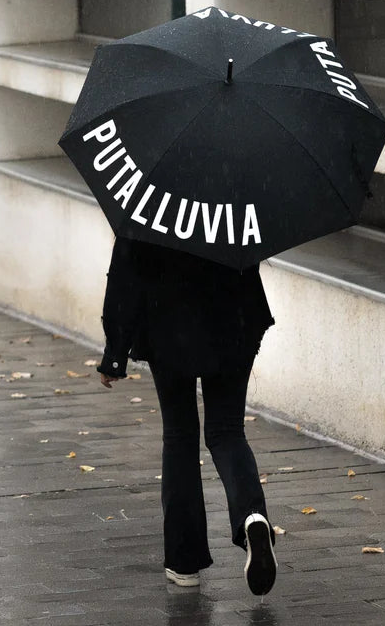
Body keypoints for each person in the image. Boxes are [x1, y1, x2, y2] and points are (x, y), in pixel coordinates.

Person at [97, 236, 277, 596]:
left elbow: (125, 270)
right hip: (233, 318)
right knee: (227, 431)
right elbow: (251, 254)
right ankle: (251, 517)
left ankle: (184, 561)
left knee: (180, 436)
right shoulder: (237, 188)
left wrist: (115, 352)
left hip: (169, 322)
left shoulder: (152, 194)